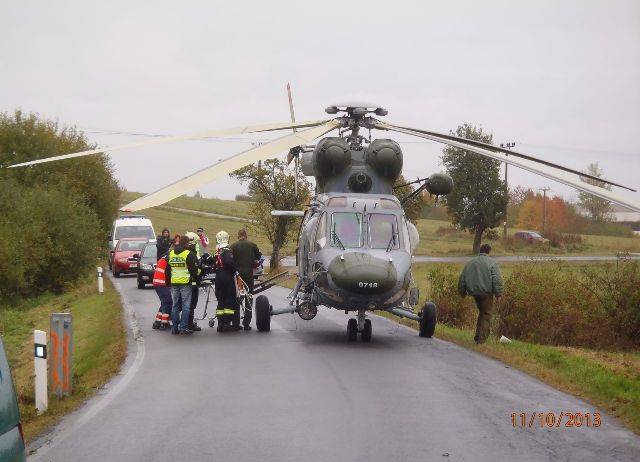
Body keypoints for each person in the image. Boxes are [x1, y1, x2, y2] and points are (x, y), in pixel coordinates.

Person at [458, 243, 503, 344]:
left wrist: (462, 292)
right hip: (486, 293)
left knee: (482, 312)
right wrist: (498, 294)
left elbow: (462, 277)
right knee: (486, 314)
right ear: (489, 252)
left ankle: (478, 335)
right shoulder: (492, 263)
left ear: (480, 251)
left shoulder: (470, 262)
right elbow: (496, 279)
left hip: (474, 292)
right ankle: (481, 339)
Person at [166, 235, 198, 335]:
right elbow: (193, 270)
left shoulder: (171, 253)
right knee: (186, 305)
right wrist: (197, 280)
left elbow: (167, 270)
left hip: (174, 282)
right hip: (185, 282)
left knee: (175, 305)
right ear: (187, 243)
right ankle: (183, 327)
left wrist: (168, 282)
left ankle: (175, 328)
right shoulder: (188, 254)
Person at [230, 228, 262, 330]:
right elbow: (258, 257)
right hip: (248, 275)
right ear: (246, 235)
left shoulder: (233, 246)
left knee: (239, 297)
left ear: (238, 236)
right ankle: (246, 323)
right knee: (249, 297)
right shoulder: (252, 245)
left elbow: (231, 260)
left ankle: (235, 323)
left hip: (239, 277)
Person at [214, 230, 240, 332]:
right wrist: (235, 269)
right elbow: (230, 262)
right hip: (227, 277)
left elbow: (214, 265)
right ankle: (227, 323)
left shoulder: (217, 251)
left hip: (218, 277)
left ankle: (220, 324)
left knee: (220, 301)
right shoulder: (227, 250)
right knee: (229, 300)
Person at [151, 250, 172, 330]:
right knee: (168, 301)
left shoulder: (164, 256)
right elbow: (168, 273)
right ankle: (164, 323)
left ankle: (157, 322)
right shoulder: (169, 258)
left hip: (157, 282)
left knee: (164, 302)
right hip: (161, 282)